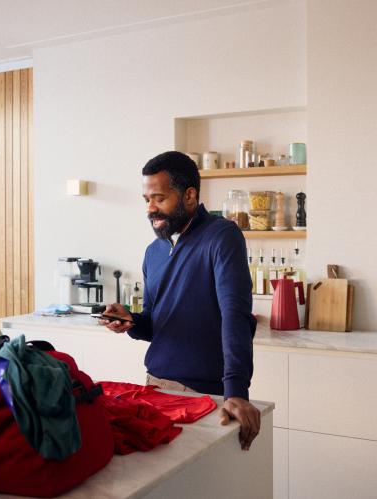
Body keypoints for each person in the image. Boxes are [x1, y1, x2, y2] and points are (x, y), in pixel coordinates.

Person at [100, 151, 261, 450]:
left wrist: (236, 392)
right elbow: (155, 324)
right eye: (146, 200)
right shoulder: (154, 252)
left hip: (204, 394)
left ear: (189, 195)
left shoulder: (222, 236)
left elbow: (235, 314)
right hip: (154, 387)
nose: (150, 208)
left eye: (159, 198)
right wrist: (131, 320)